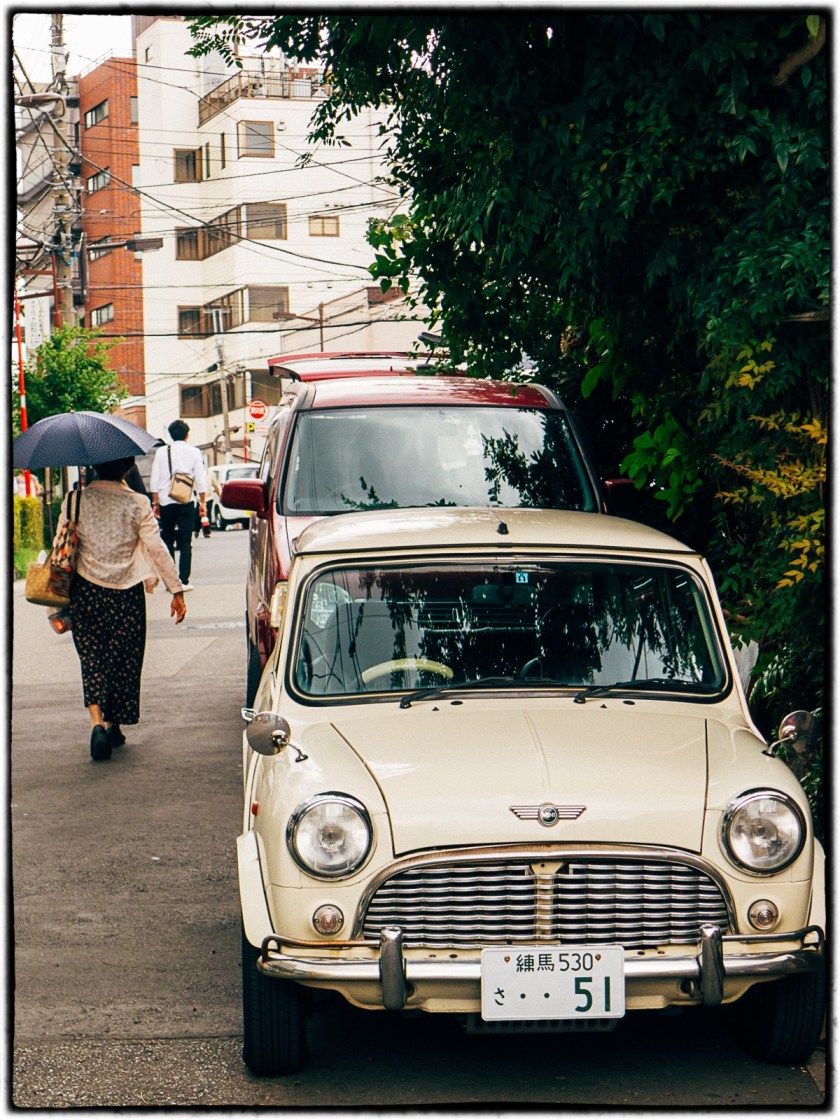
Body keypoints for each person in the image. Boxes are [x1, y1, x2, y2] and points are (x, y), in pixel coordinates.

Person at [55, 455, 187, 762]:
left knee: (92, 657)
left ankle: (97, 723)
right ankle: (115, 724)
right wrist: (175, 588)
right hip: (126, 593)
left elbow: (61, 543)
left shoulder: (75, 500)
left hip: (85, 591)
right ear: (127, 469)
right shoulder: (137, 502)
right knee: (123, 658)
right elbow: (157, 548)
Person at [149, 420, 208, 591]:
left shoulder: (161, 452)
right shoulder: (194, 452)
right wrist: (202, 502)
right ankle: (183, 580)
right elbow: (200, 478)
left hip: (166, 500)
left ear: (170, 435)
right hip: (186, 500)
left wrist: (155, 502)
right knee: (185, 541)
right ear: (187, 435)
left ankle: (171, 581)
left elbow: (155, 477)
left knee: (167, 539)